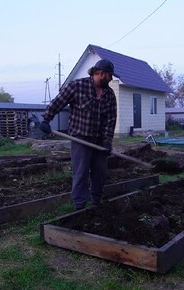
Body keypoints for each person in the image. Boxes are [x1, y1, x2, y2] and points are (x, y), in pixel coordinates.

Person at [39, 59, 117, 210]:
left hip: (100, 141)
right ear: (100, 73)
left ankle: (96, 203)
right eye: (109, 76)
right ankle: (80, 207)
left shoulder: (109, 94)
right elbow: (58, 102)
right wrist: (46, 119)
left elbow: (111, 119)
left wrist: (107, 141)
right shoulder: (77, 86)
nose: (111, 79)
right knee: (80, 173)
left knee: (99, 174)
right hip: (80, 138)